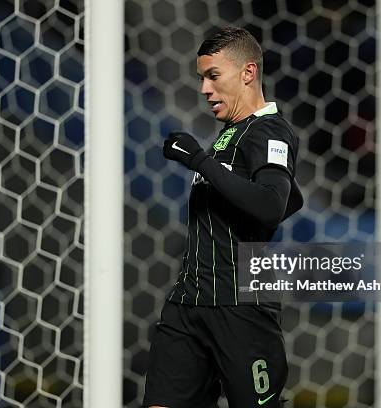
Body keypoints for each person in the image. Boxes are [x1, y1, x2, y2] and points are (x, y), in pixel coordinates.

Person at [142, 26, 303, 408]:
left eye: (213, 76)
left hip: (239, 307)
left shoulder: (270, 131)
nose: (204, 89)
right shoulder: (230, 133)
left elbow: (270, 204)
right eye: (201, 78)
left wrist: (198, 160)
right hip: (189, 304)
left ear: (248, 73)